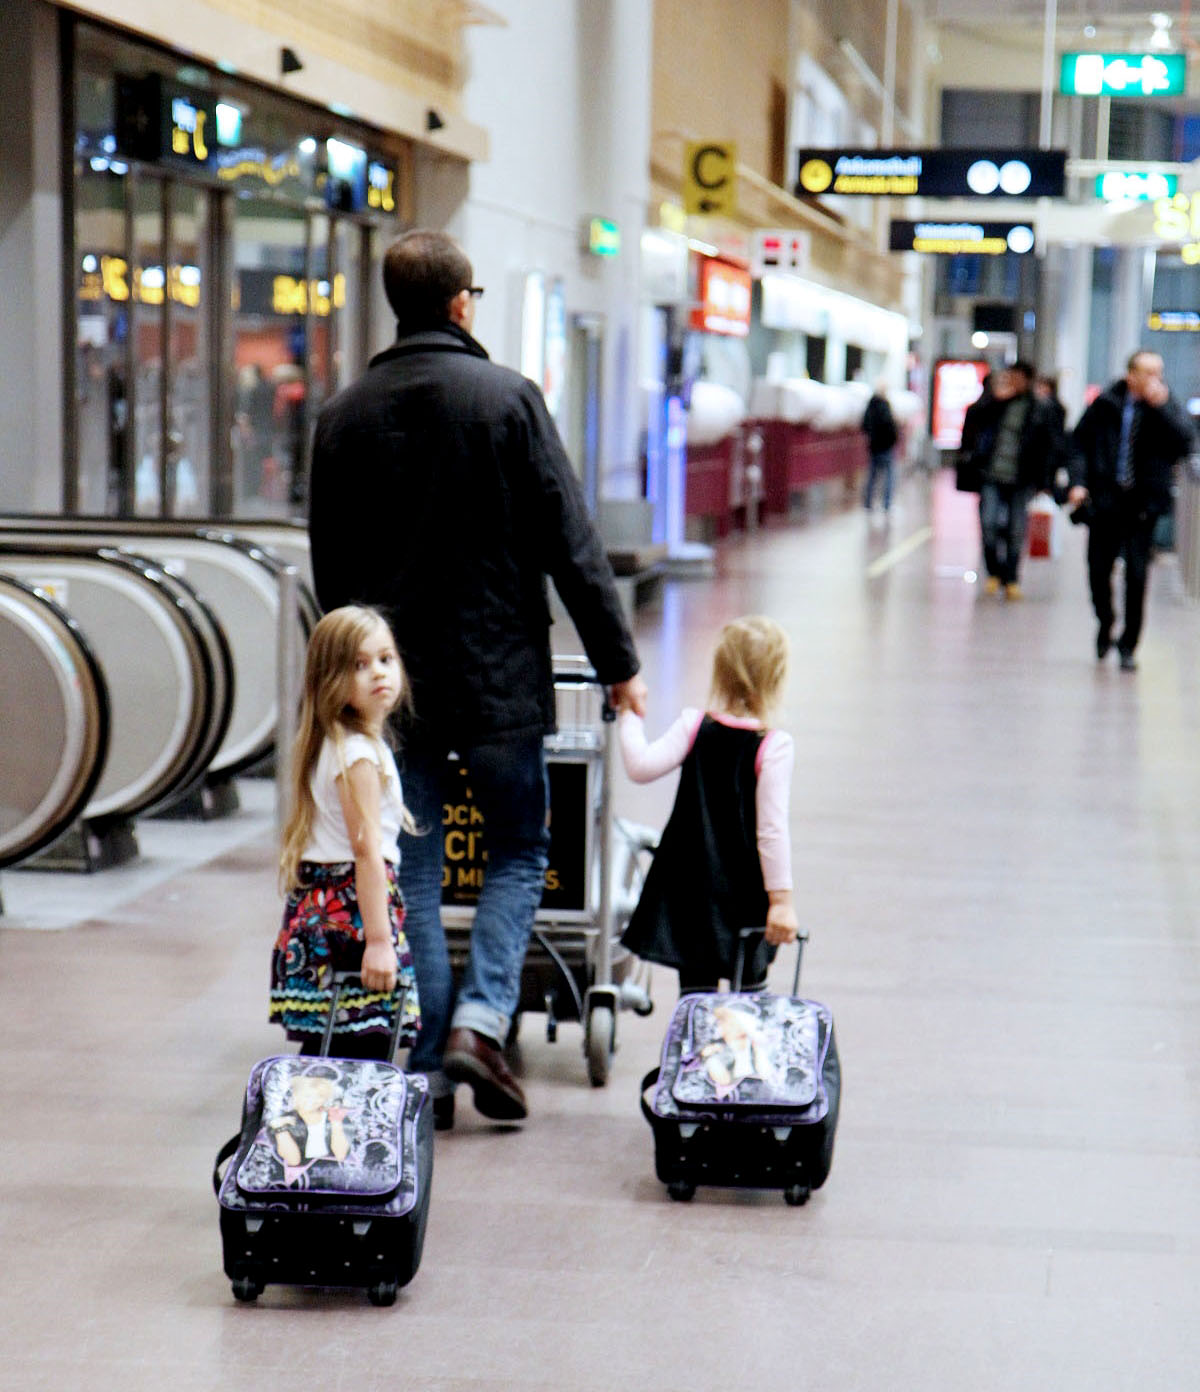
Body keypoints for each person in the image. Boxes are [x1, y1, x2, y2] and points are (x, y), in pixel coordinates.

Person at [308, 228, 646, 1129]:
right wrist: (618, 665)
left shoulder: (342, 415)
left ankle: (428, 1059)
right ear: (462, 303)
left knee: (411, 863)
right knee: (521, 849)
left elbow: (330, 571)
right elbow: (571, 542)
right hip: (500, 681)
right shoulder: (508, 400)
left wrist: (350, 683)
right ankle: (482, 1022)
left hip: (391, 690)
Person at [618, 615, 797, 995]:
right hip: (746, 892)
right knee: (749, 1000)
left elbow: (640, 766)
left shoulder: (693, 726)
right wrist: (781, 900)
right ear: (777, 677)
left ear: (720, 672)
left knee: (695, 997)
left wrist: (629, 715)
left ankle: (695, 1036)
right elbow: (771, 830)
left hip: (692, 886)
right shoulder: (773, 746)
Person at [271, 606, 421, 1060]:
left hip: (322, 911)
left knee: (328, 1052)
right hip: (352, 916)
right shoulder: (357, 756)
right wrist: (379, 941)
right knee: (360, 1055)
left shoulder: (338, 746)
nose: (378, 672)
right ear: (332, 679)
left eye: (386, 659)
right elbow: (366, 852)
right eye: (359, 664)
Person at [1068, 350, 1196, 671]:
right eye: (1148, 372)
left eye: (1159, 372)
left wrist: (1162, 408)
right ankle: (1106, 620)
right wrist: (1079, 482)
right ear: (1131, 375)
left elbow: (1185, 442)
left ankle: (1128, 644)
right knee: (1098, 570)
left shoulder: (1167, 406)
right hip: (1105, 501)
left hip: (1142, 505)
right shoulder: (1106, 403)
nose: (1155, 379)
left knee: (1137, 575)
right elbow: (1079, 443)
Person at [967, 360, 1055, 600]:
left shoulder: (1038, 408)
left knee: (1017, 529)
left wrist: (1045, 482)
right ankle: (993, 572)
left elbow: (1047, 446)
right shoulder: (995, 402)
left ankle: (1011, 577)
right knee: (988, 523)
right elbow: (973, 419)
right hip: (991, 473)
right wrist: (994, 399)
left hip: (1021, 477)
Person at [861, 379, 899, 513]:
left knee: (872, 476)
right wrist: (893, 439)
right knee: (889, 476)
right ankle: (887, 504)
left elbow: (864, 424)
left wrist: (872, 437)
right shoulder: (885, 406)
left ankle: (868, 503)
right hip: (885, 446)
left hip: (874, 446)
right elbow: (890, 425)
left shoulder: (870, 405)